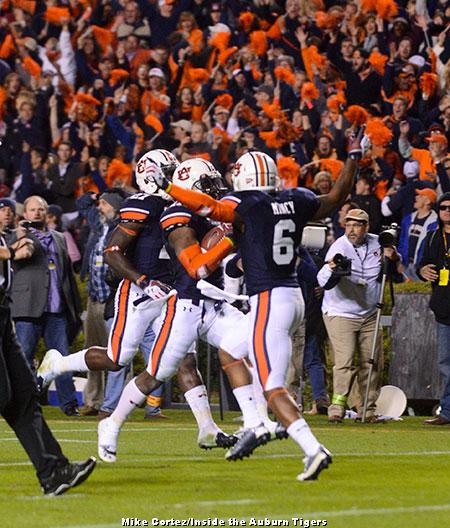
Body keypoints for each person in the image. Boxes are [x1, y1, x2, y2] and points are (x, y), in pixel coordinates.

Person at [147, 130, 370, 480]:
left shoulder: (246, 205)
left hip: (268, 299)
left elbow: (210, 207)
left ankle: (313, 449)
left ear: (244, 178)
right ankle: (257, 424)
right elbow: (339, 194)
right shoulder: (297, 198)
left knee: (271, 386)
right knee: (233, 352)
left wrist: (170, 188)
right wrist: (354, 155)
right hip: (295, 296)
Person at [97, 157, 287, 464]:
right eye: (207, 184)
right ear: (191, 188)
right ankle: (112, 422)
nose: (215, 188)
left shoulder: (214, 211)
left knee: (252, 346)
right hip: (184, 304)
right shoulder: (177, 214)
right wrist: (229, 239)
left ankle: (256, 421)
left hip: (214, 302)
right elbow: (197, 268)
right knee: (158, 373)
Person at [0, 229, 96, 496]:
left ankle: (54, 472)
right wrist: (10, 252)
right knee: (4, 394)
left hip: (2, 316)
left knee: (25, 396)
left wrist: (16, 245)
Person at [317, 209, 402, 424]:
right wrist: (333, 268)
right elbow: (322, 279)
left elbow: (396, 271)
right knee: (344, 362)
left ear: (367, 227)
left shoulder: (379, 242)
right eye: (349, 225)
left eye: (357, 225)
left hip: (370, 313)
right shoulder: (339, 247)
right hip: (341, 312)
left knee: (372, 362)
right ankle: (337, 407)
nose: (352, 230)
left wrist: (393, 256)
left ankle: (368, 409)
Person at [10, 195, 81, 416]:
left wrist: (74, 307)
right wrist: (20, 233)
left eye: (40, 209)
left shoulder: (60, 237)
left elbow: (67, 273)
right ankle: (19, 404)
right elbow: (12, 260)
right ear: (25, 214)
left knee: (61, 359)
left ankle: (69, 405)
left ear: (46, 213)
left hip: (56, 309)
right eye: (32, 210)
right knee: (22, 359)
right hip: (28, 306)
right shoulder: (17, 236)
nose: (36, 213)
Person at [417, 192, 450, 425]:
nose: (448, 211)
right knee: (445, 363)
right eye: (444, 207)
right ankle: (447, 411)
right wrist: (422, 271)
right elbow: (420, 265)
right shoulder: (431, 238)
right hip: (443, 308)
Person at [398, 189, 438, 281]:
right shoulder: (407, 219)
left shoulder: (435, 223)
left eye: (420, 196)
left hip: (421, 268)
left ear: (428, 201)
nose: (416, 197)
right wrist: (400, 262)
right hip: (406, 266)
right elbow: (402, 242)